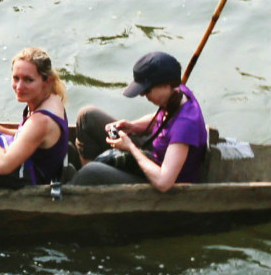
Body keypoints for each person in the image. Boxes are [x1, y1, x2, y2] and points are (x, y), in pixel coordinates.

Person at [71, 51, 208, 189]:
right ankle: (90, 186)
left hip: (162, 185)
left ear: (167, 85)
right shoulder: (178, 92)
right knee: (87, 117)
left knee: (89, 173)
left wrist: (131, 148)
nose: (143, 95)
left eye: (146, 90)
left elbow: (163, 182)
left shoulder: (185, 125)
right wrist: (133, 126)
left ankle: (83, 185)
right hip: (152, 156)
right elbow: (162, 118)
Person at [0, 47, 70, 187]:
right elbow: (27, 136)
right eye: (16, 78)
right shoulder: (53, 98)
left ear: (46, 81)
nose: (19, 87)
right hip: (35, 168)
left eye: (28, 80)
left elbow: (1, 166)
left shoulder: (41, 121)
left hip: (32, 188)